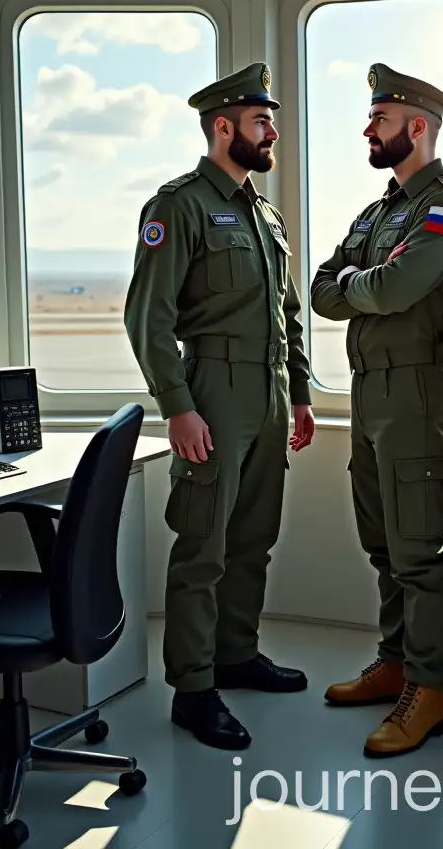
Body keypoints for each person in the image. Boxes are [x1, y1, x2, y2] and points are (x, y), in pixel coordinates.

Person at [124, 62, 315, 752]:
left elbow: (288, 315)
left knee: (253, 538)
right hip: (212, 392)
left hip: (266, 395)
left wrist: (297, 393)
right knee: (203, 543)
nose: (272, 133)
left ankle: (235, 654)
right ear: (224, 126)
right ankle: (194, 688)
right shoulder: (178, 206)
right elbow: (148, 318)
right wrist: (178, 405)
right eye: (262, 122)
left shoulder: (263, 212)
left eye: (272, 122)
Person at [311, 63, 443, 757]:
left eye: (379, 120)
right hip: (368, 390)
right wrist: (364, 281)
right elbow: (325, 290)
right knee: (382, 544)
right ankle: (395, 663)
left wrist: (363, 282)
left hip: (415, 391)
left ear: (417, 127)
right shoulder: (378, 213)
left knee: (418, 551)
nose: (368, 130)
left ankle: (430, 690)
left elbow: (396, 289)